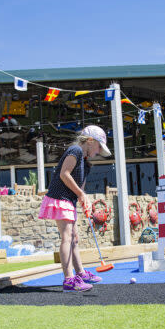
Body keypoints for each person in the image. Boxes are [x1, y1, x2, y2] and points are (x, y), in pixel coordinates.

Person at [38, 125, 111, 291]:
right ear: (90, 141)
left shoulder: (86, 164)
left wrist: (83, 199)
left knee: (74, 238)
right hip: (59, 198)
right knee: (67, 237)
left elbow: (80, 188)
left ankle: (80, 273)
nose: (99, 151)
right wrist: (81, 194)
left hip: (68, 201)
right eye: (99, 146)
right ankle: (69, 280)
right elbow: (64, 174)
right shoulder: (76, 150)